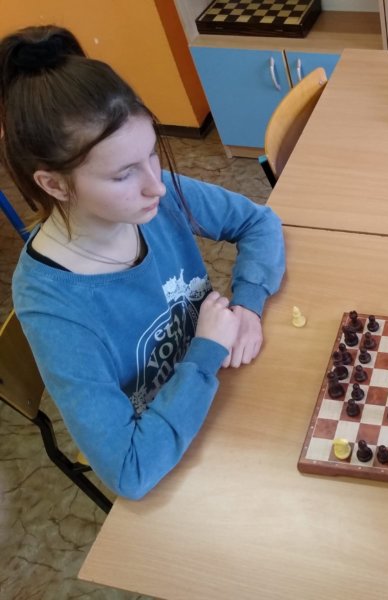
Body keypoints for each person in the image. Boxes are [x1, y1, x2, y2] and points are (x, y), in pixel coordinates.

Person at [1, 26, 285, 499]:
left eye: (152, 154)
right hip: (168, 452)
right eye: (123, 174)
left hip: (220, 391)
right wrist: (205, 352)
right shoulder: (51, 304)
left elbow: (259, 223)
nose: (155, 184)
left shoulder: (153, 198)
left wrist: (249, 306)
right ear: (54, 185)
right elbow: (129, 471)